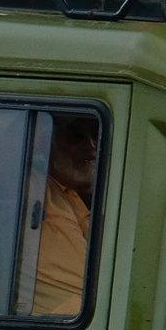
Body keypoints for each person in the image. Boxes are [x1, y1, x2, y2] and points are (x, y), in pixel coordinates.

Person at [29, 114, 101, 318]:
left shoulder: (88, 197)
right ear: (46, 143)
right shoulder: (32, 186)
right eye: (75, 136)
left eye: (97, 135)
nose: (91, 146)